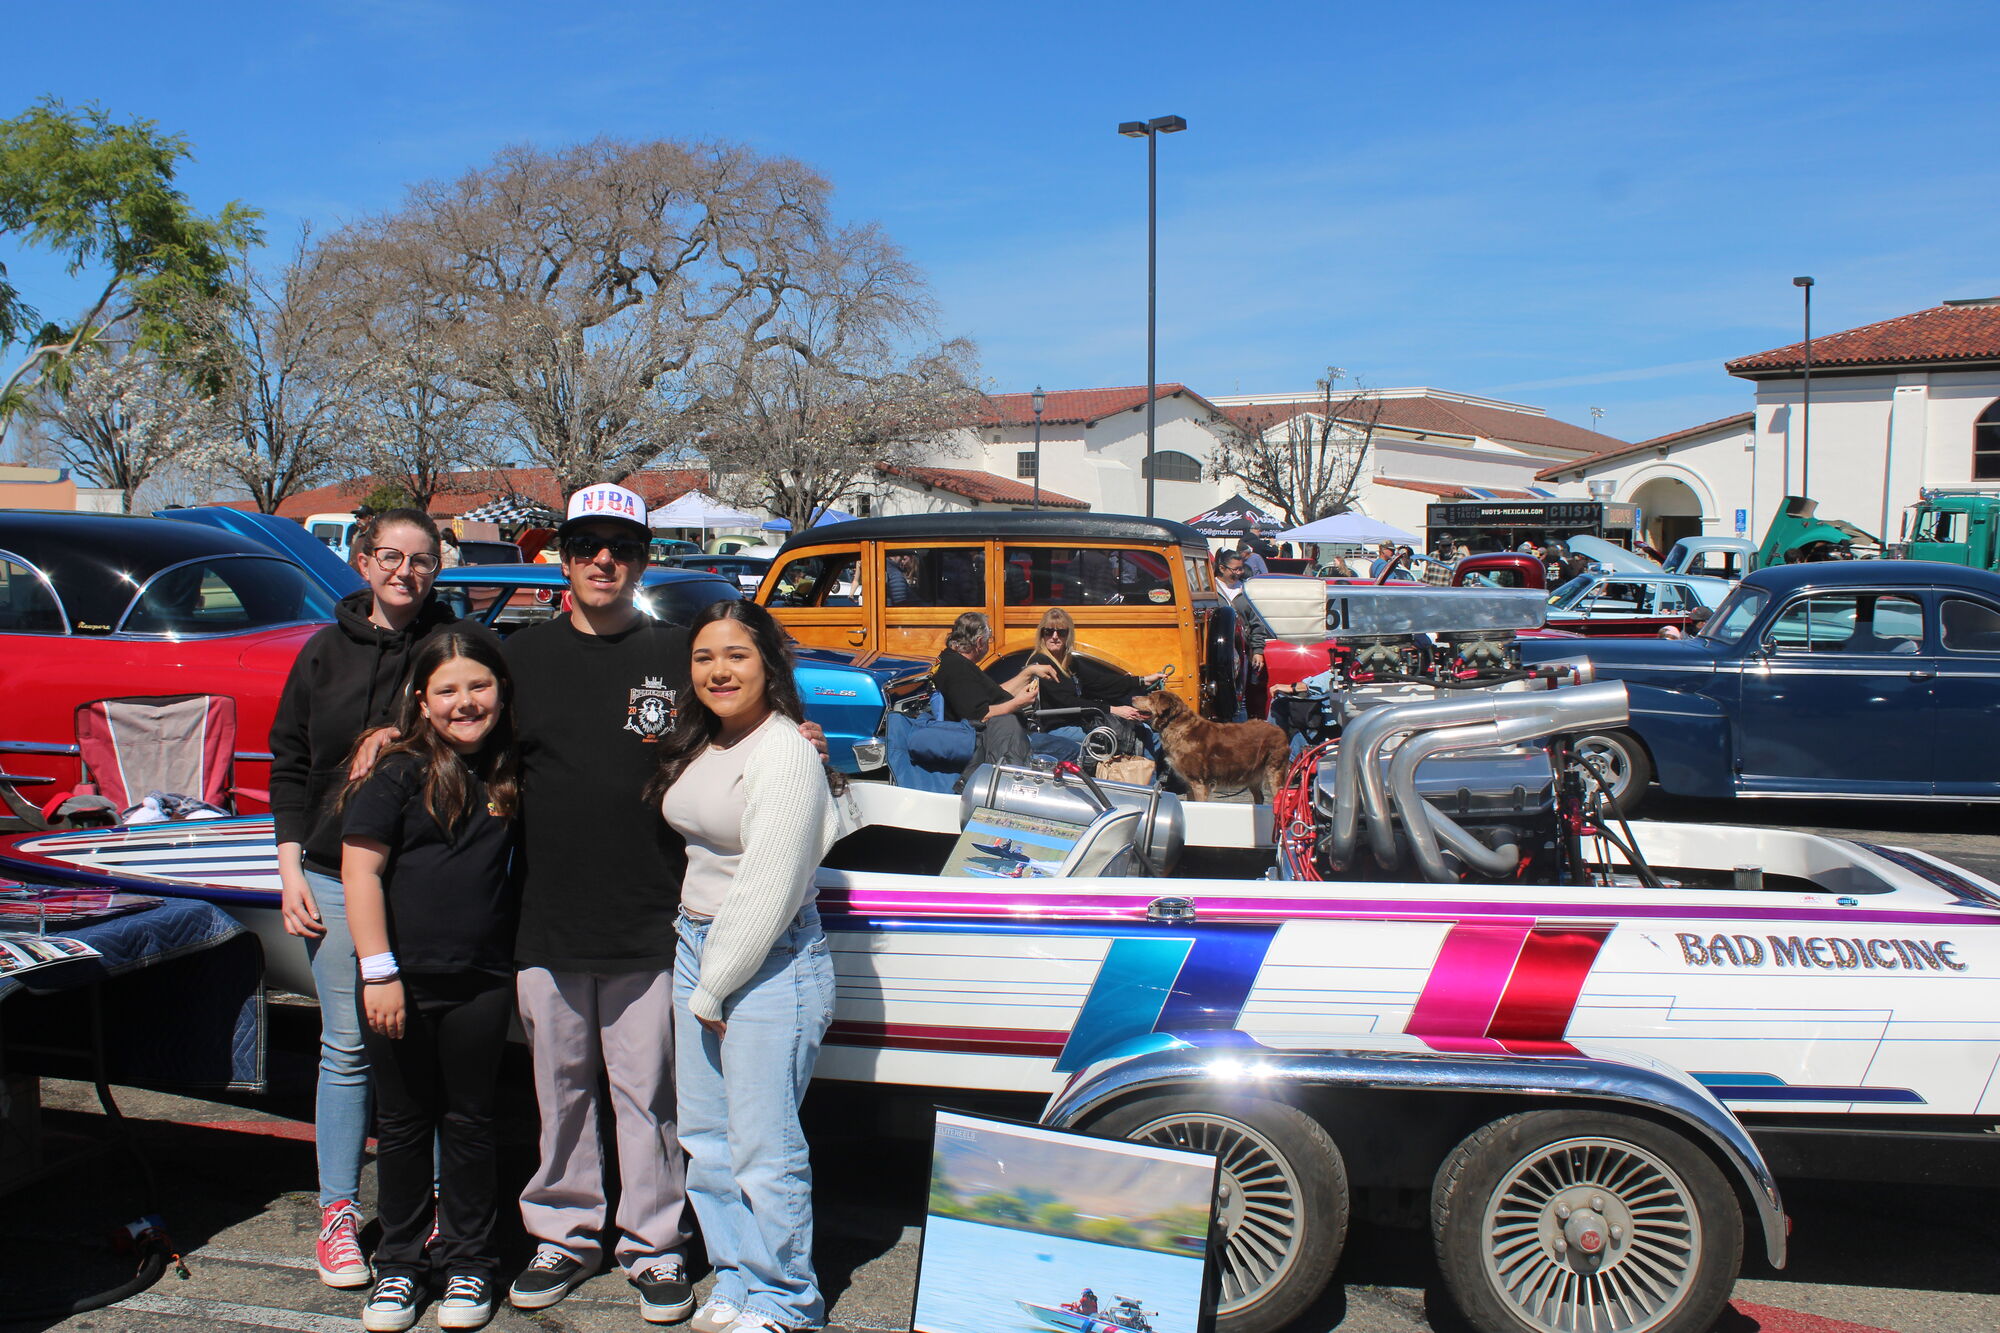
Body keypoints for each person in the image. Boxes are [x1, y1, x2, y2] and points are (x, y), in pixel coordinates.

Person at [501, 484, 700, 1323]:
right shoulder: (519, 657)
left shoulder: (684, 653)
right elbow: (459, 735)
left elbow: (749, 722)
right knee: (561, 1085)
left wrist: (793, 733)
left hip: (650, 915)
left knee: (646, 1092)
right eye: (587, 544)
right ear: (563, 555)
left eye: (621, 545)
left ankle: (654, 1243)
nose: (603, 559)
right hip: (545, 914)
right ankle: (564, 1234)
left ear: (643, 557)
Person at [270, 507, 477, 1290]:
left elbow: (483, 725)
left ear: (436, 571)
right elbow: (289, 761)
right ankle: (335, 1211)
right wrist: (289, 866)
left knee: (413, 1043)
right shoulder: (321, 654)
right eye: (390, 556)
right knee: (348, 1043)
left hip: (418, 873)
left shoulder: (448, 648)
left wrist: (403, 737)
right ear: (362, 562)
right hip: (327, 868)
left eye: (421, 561)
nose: (405, 572)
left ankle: (416, 1206)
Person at [651, 600, 850, 1333]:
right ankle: (735, 1273)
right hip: (698, 946)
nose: (719, 670)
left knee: (765, 1145)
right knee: (706, 1137)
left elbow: (768, 884)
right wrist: (700, 967)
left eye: (736, 654)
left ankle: (786, 1298)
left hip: (767, 960)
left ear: (769, 661)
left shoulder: (784, 750)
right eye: (705, 657)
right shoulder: (706, 740)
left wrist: (714, 981)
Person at [341, 633, 521, 1332]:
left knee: (473, 1123)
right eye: (446, 690)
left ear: (501, 691)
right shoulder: (397, 771)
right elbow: (361, 872)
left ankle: (472, 1261)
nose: (464, 702)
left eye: (478, 686)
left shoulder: (511, 768)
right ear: (421, 700)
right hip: (400, 983)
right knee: (405, 1124)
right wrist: (377, 970)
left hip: (480, 981)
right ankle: (401, 1265)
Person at [1024, 607, 1164, 755]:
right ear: (1042, 634)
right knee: (1134, 737)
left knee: (1146, 730)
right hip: (1058, 728)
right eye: (1048, 631)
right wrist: (1113, 710)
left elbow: (1101, 682)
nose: (1054, 636)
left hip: (1081, 721)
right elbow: (1066, 701)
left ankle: (1161, 775)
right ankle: (1146, 777)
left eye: (1061, 632)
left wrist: (1143, 680)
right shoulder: (1040, 662)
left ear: (1068, 635)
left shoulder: (1070, 662)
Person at [933, 612, 1053, 774]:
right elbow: (980, 715)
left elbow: (993, 695)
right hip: (995, 742)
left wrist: (1029, 672)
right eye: (989, 639)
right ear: (980, 642)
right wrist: (1018, 703)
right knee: (1072, 749)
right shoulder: (958, 669)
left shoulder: (953, 660)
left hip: (1004, 735)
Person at [1212, 550, 1265, 720]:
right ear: (1222, 568)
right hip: (1217, 651)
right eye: (1234, 570)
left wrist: (1257, 650)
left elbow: (1257, 622)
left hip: (1241, 650)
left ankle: (1239, 727)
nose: (1238, 573)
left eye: (1241, 569)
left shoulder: (1246, 590)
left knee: (1241, 694)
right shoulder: (1210, 589)